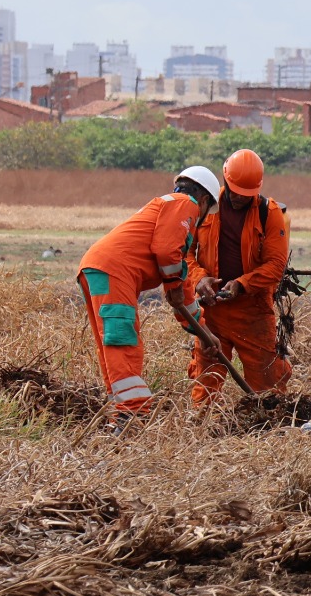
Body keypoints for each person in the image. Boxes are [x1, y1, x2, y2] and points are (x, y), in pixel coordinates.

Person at [76, 166, 220, 425]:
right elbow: (167, 254)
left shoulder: (167, 209)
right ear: (205, 199)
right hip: (114, 272)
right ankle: (132, 416)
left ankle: (120, 413)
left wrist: (203, 331)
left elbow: (181, 285)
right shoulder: (185, 204)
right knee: (122, 340)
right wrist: (174, 284)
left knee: (111, 344)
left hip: (98, 269)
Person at [186, 148, 292, 405]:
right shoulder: (203, 207)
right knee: (205, 386)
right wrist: (200, 279)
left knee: (269, 389)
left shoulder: (270, 213)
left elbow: (275, 266)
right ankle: (201, 433)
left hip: (253, 313)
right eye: (233, 192)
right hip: (211, 312)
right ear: (224, 181)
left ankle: (269, 436)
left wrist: (242, 285)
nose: (236, 199)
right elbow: (184, 254)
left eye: (244, 196)